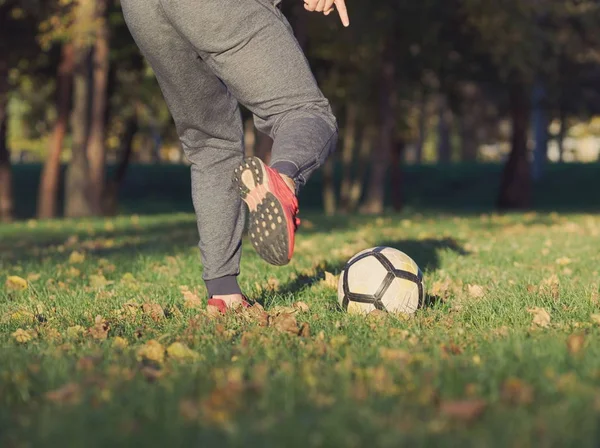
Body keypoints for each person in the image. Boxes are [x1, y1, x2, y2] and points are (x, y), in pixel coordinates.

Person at [121, 0, 349, 312]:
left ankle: (224, 293)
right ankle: (282, 179)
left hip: (143, 10)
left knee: (210, 144)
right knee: (303, 111)